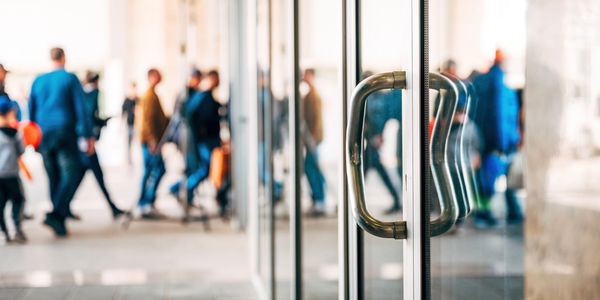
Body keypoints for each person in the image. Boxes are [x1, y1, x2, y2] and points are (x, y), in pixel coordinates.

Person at [29, 48, 95, 237]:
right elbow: (81, 109)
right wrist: (88, 135)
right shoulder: (69, 79)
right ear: (64, 58)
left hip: (43, 134)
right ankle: (58, 213)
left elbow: (31, 111)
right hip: (64, 132)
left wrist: (33, 139)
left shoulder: (38, 80)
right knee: (72, 172)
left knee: (53, 175)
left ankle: (59, 218)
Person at [471, 50, 522, 228]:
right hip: (498, 143)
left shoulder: (482, 81)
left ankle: (487, 212)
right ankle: (483, 214)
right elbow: (500, 116)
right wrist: (503, 143)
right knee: (490, 182)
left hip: (485, 140)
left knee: (486, 181)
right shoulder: (499, 83)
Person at [69, 71, 124, 219]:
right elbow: (87, 116)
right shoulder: (92, 95)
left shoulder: (81, 93)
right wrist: (90, 137)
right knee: (94, 175)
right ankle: (60, 210)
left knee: (78, 176)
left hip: (82, 139)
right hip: (87, 141)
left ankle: (63, 208)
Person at [169, 70, 222, 206]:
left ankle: (180, 188)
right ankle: (180, 187)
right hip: (203, 141)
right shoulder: (201, 97)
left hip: (204, 140)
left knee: (200, 169)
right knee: (203, 169)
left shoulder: (203, 96)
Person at [137, 68, 169, 219]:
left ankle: (145, 202)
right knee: (154, 170)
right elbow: (148, 121)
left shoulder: (152, 95)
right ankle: (145, 203)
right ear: (151, 77)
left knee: (151, 170)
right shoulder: (149, 96)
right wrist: (152, 141)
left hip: (152, 141)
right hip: (150, 141)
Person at [0, 99, 27, 243]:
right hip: (11, 174)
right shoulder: (16, 134)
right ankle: (16, 227)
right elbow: (21, 151)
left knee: (1, 203)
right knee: (18, 199)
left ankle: (4, 231)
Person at [301, 68, 326, 217]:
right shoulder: (309, 95)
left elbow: (316, 120)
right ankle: (318, 199)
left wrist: (312, 140)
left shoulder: (313, 96)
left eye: (306, 75)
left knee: (312, 168)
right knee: (312, 167)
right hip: (312, 139)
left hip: (313, 139)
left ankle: (320, 200)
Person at [122, 82, 138, 165]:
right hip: (129, 124)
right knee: (129, 142)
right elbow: (123, 113)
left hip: (137, 125)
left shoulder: (138, 99)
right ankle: (129, 159)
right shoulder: (127, 100)